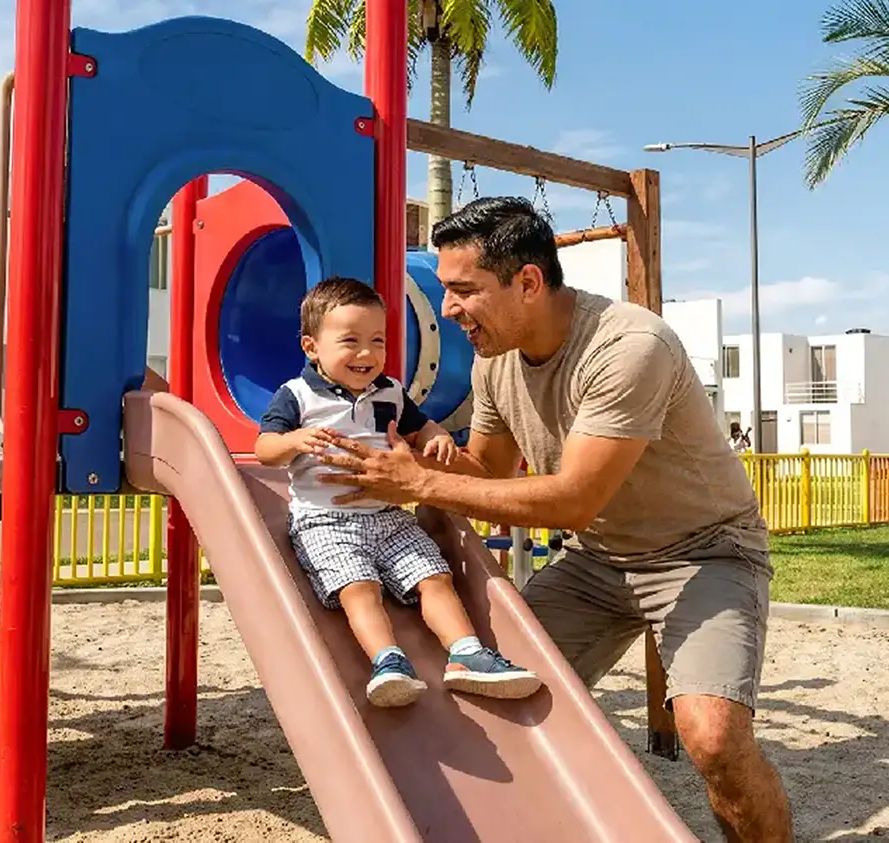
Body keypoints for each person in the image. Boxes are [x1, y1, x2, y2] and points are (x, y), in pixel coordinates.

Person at [313, 197, 793, 842]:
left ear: (529, 282)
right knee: (488, 686)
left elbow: (572, 500)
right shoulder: (494, 358)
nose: (449, 310)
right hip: (597, 560)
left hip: (701, 553)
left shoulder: (628, 346)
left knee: (712, 737)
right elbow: (484, 468)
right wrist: (411, 487)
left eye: (462, 291)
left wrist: (424, 481)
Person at [253, 276, 544, 708]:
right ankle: (388, 660)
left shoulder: (389, 391)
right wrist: (294, 441)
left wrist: (437, 436)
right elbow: (264, 448)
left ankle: (466, 653)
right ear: (312, 347)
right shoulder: (296, 396)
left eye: (378, 340)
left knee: (435, 576)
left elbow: (419, 425)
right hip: (325, 521)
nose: (367, 353)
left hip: (389, 516)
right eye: (350, 341)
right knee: (359, 587)